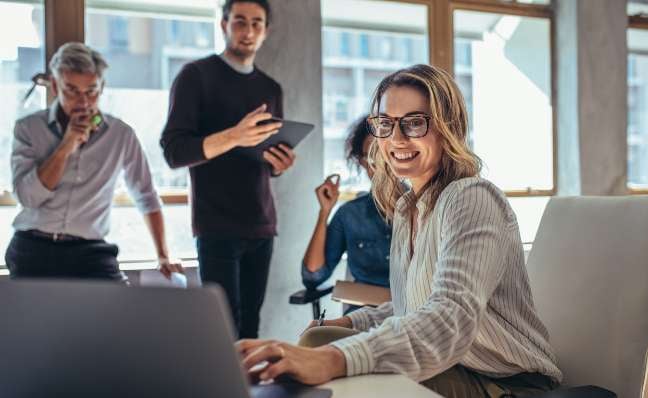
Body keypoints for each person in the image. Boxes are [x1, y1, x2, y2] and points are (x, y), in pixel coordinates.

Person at [235, 64, 562, 397]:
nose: (396, 139)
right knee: (318, 338)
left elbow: (448, 318)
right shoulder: (407, 208)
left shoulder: (472, 198)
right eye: (385, 124)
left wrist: (333, 360)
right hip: (453, 364)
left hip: (506, 382)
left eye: (415, 123)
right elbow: (412, 306)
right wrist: (351, 322)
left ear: (449, 127)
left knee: (348, 377)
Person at [160, 0, 295, 339]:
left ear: (266, 31)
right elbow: (174, 152)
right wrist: (235, 135)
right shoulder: (196, 76)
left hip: (262, 222)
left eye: (256, 24)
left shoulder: (271, 88)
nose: (248, 31)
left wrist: (279, 163)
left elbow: (263, 155)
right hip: (216, 223)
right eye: (239, 22)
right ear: (223, 24)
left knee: (251, 327)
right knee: (222, 329)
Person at [6, 42, 182, 281]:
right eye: (72, 91)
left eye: (91, 91)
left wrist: (163, 255)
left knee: (118, 313)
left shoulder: (121, 135)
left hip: (90, 251)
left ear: (102, 87)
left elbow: (146, 195)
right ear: (56, 86)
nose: (84, 102)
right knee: (34, 319)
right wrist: (65, 147)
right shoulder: (28, 129)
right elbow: (28, 198)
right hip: (33, 247)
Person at [301, 116, 391, 308]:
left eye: (386, 154)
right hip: (360, 318)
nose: (379, 165)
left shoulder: (425, 209)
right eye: (371, 156)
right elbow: (313, 276)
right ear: (361, 161)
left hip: (412, 319)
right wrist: (324, 212)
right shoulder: (350, 215)